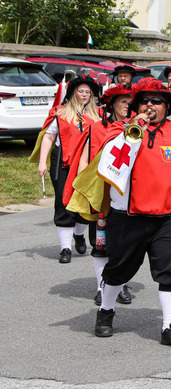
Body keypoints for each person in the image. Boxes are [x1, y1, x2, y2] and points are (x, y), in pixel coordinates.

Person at [92, 77, 171, 348]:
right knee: (118, 270)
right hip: (128, 216)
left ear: (166, 106)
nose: (150, 106)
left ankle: (169, 326)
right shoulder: (119, 130)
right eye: (145, 101)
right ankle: (105, 310)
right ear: (136, 106)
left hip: (170, 216)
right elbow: (107, 166)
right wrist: (132, 131)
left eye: (157, 101)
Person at [65, 84, 135, 305]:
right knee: (100, 243)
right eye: (123, 101)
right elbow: (85, 160)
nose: (127, 106)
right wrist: (84, 191)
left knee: (124, 245)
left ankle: (120, 284)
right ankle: (101, 287)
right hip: (103, 195)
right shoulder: (96, 128)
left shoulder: (140, 128)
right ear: (112, 104)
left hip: (130, 197)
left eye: (130, 102)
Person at [35, 75, 102, 263]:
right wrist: (42, 162)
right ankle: (65, 248)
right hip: (63, 163)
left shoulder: (97, 115)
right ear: (73, 93)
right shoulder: (60, 113)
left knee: (86, 204)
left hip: (88, 166)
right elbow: (48, 138)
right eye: (81, 91)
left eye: (88, 92)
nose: (84, 95)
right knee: (63, 204)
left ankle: (79, 234)